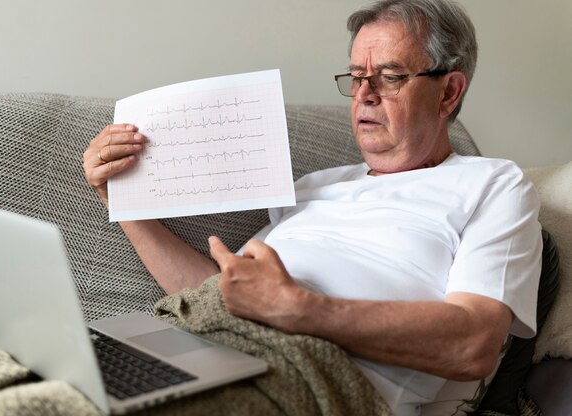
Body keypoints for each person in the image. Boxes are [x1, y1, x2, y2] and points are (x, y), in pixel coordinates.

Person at [82, 0, 542, 414]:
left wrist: (300, 309)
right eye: (357, 77)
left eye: (389, 76)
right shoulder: (313, 186)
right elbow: (224, 295)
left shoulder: (495, 184)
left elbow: (473, 344)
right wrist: (121, 200)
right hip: (205, 345)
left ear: (448, 92)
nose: (364, 94)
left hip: (316, 381)